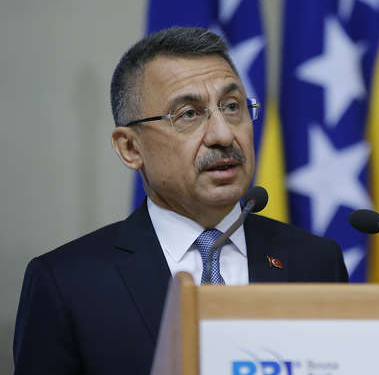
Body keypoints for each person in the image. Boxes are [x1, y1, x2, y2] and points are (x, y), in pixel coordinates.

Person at [13, 27, 349, 375]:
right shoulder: (67, 283)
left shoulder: (316, 262)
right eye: (188, 114)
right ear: (130, 148)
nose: (223, 135)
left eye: (232, 107)